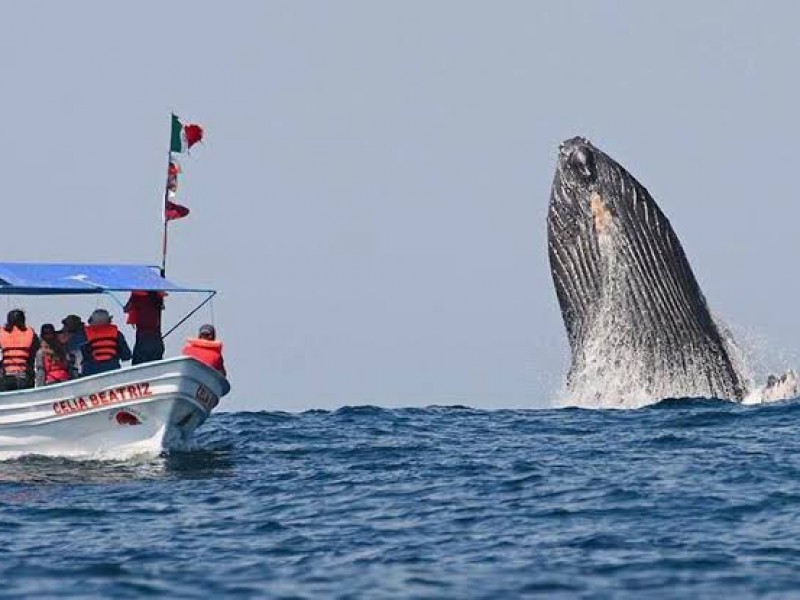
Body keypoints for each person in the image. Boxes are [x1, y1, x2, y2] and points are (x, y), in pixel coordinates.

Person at [81, 309, 132, 376]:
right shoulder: (117, 334)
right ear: (109, 321)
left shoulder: (83, 335)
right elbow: (126, 355)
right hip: (112, 370)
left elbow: (78, 355)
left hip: (90, 372)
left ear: (91, 321)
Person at [0, 309, 39, 390]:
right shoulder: (30, 333)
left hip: (7, 376)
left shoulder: (2, 332)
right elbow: (35, 351)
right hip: (24, 376)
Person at [124, 291, 165, 364]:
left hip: (143, 338)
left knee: (138, 366)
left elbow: (127, 308)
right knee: (156, 367)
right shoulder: (157, 294)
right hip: (156, 338)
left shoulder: (137, 294)